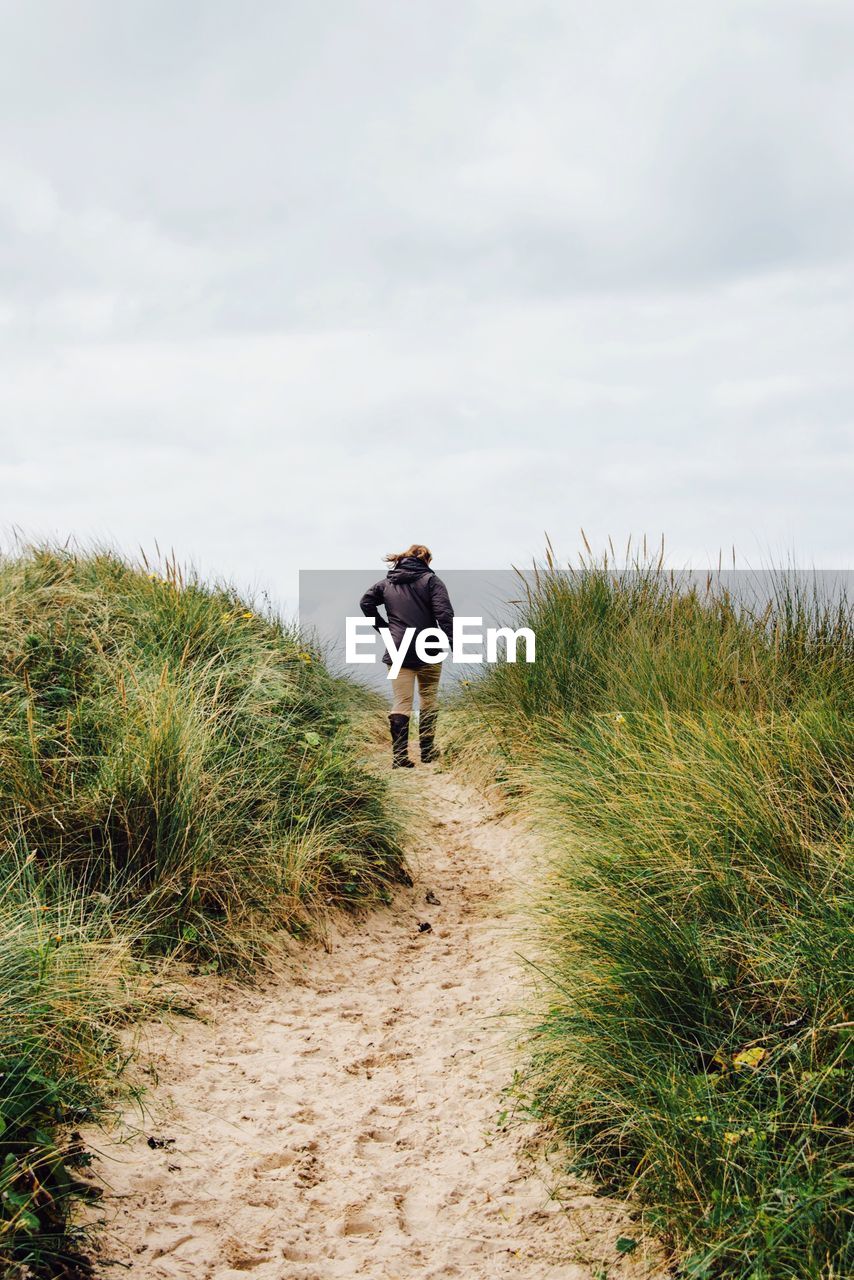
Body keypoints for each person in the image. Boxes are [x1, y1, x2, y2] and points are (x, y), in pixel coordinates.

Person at [359, 544, 454, 768]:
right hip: (428, 648)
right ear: (426, 560)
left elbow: (366, 603)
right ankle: (427, 753)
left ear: (401, 559)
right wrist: (451, 639)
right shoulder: (432, 581)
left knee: (401, 701)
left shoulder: (386, 584)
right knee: (428, 700)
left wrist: (385, 629)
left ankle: (400, 758)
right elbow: (444, 612)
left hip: (398, 648)